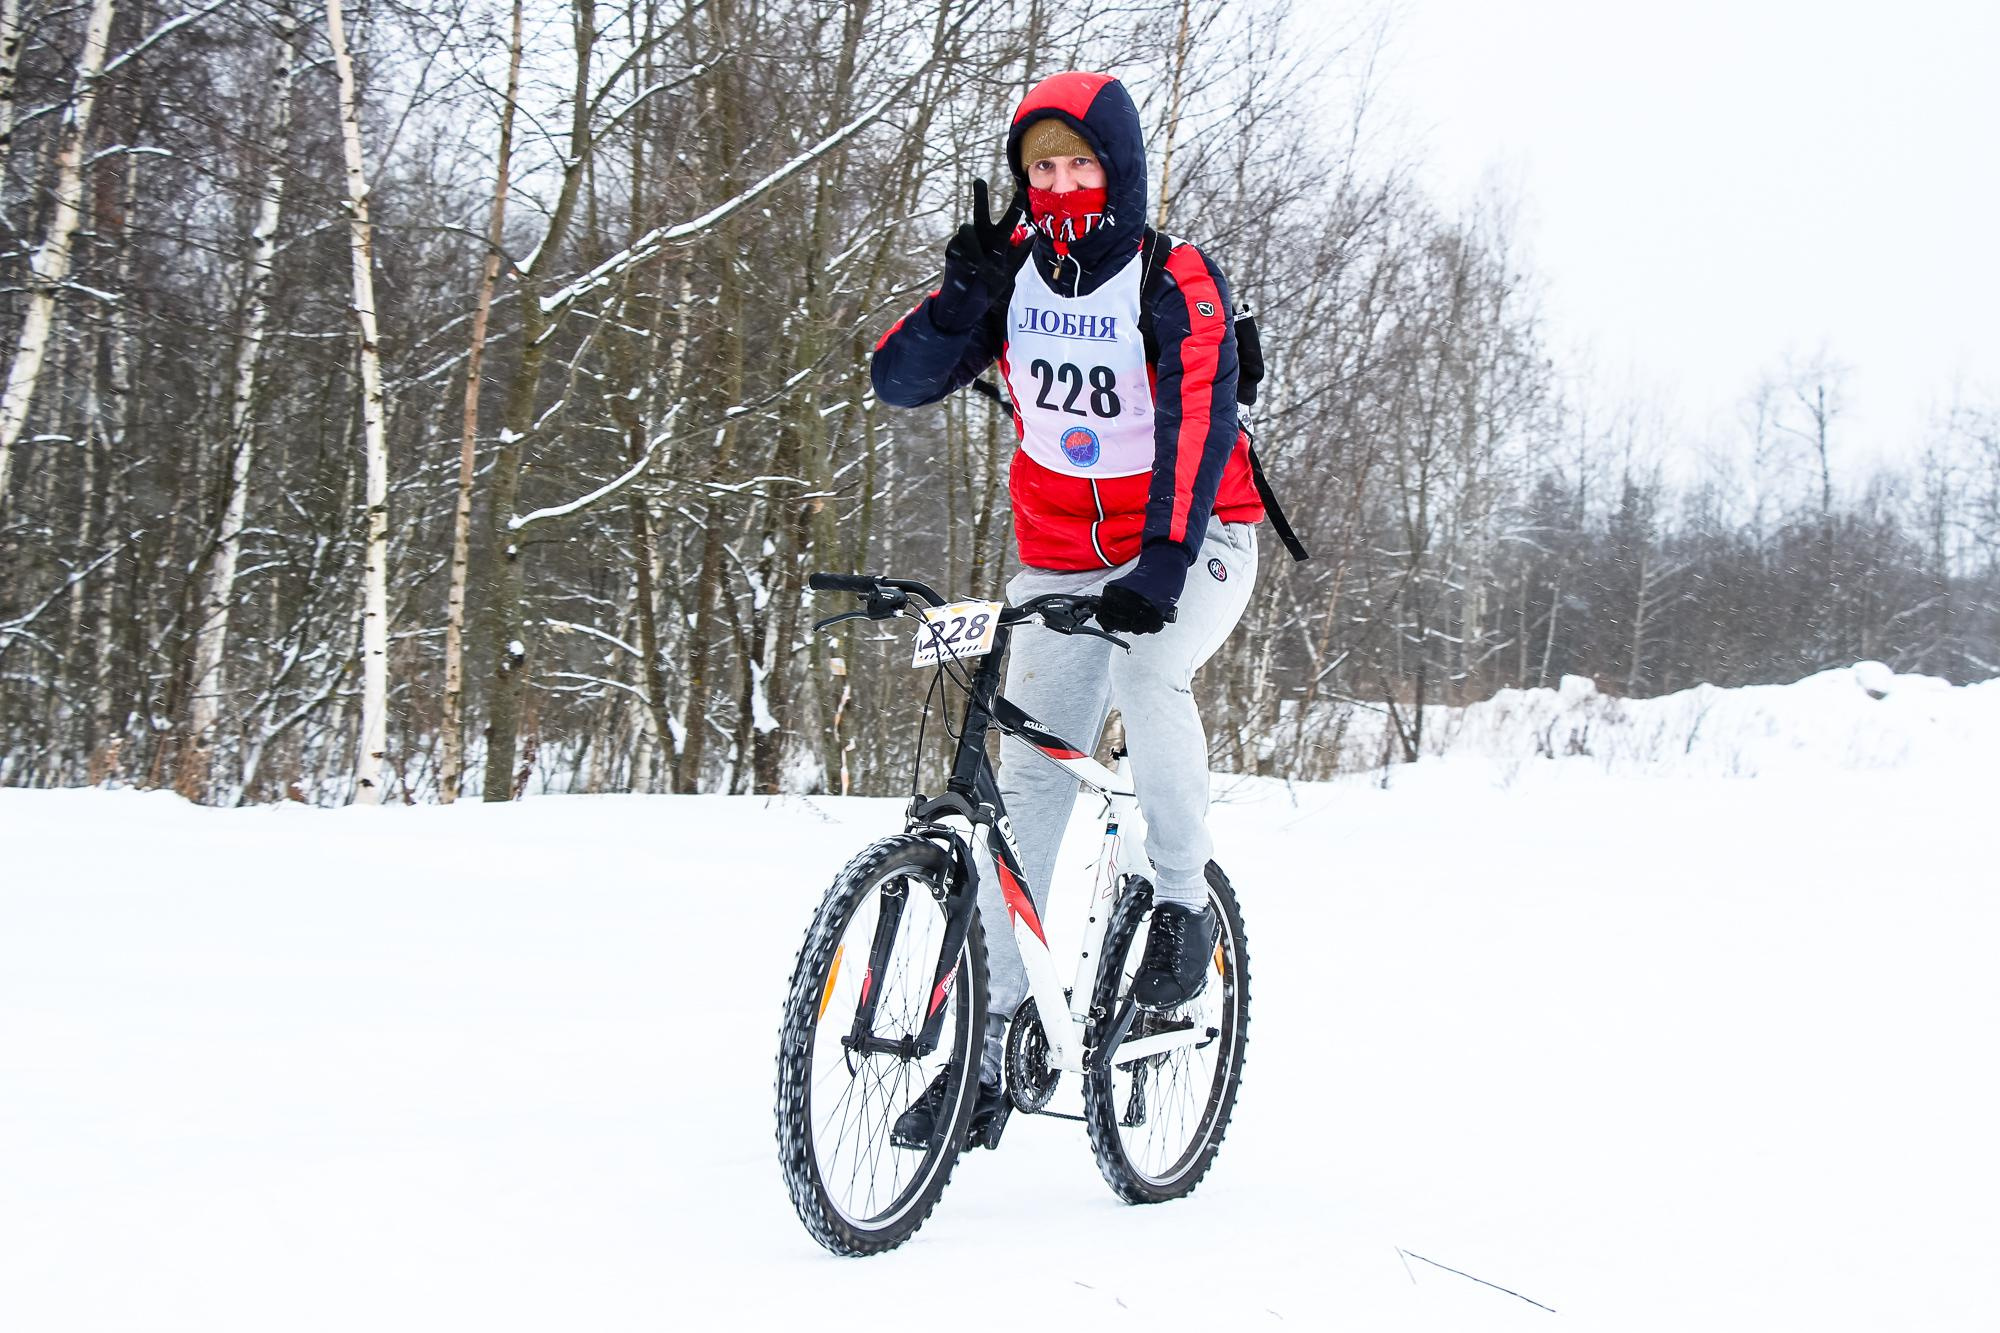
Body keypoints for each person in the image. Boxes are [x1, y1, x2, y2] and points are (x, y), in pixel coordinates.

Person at [870, 71, 1264, 1147]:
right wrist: (961, 296)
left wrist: (1160, 566)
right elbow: (898, 382)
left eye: (1077, 163)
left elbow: (1194, 431)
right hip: (1054, 559)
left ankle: (1180, 905)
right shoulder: (1014, 278)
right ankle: (991, 1051)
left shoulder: (1169, 280)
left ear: (1118, 169)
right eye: (1039, 168)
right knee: (1024, 789)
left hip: (1194, 539)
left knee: (1148, 671)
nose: (1057, 184)